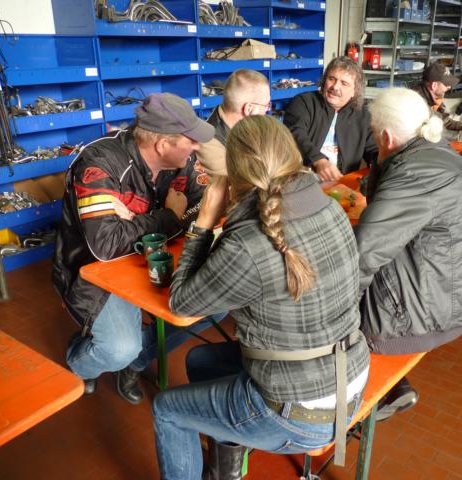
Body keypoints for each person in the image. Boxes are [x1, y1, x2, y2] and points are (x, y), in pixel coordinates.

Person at [153, 116, 370, 479]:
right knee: (201, 361)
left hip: (300, 411)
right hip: (349, 374)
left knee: (167, 409)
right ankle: (225, 472)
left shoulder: (248, 243)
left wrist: (203, 223)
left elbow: (182, 302)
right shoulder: (330, 208)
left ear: (234, 175)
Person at [53, 93, 225, 404]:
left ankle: (137, 361)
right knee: (119, 349)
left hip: (154, 258)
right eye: (191, 141)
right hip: (94, 273)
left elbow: (205, 208)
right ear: (163, 144)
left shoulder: (181, 160)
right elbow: (105, 245)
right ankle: (80, 361)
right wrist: (169, 216)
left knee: (216, 303)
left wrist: (136, 221)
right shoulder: (99, 164)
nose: (197, 147)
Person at [355, 87, 462, 420]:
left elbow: (364, 253)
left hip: (425, 318)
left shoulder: (414, 172)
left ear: (386, 137)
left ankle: (367, 395)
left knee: (325, 297)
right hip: (454, 299)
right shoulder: (438, 153)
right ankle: (394, 386)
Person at [283, 56, 378, 182]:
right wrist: (318, 160)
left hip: (342, 182)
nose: (335, 87)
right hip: (302, 180)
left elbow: (373, 149)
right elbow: (295, 133)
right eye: (332, 79)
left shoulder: (363, 115)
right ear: (324, 81)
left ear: (354, 92)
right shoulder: (303, 102)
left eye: (344, 83)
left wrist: (384, 162)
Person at [196, 69, 271, 177]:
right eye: (266, 105)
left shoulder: (247, 127)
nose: (268, 110)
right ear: (249, 109)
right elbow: (240, 184)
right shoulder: (209, 145)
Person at [416, 62, 462, 143]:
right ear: (434, 85)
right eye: (446, 84)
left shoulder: (433, 98)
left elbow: (442, 120)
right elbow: (428, 132)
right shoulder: (418, 103)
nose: (449, 87)